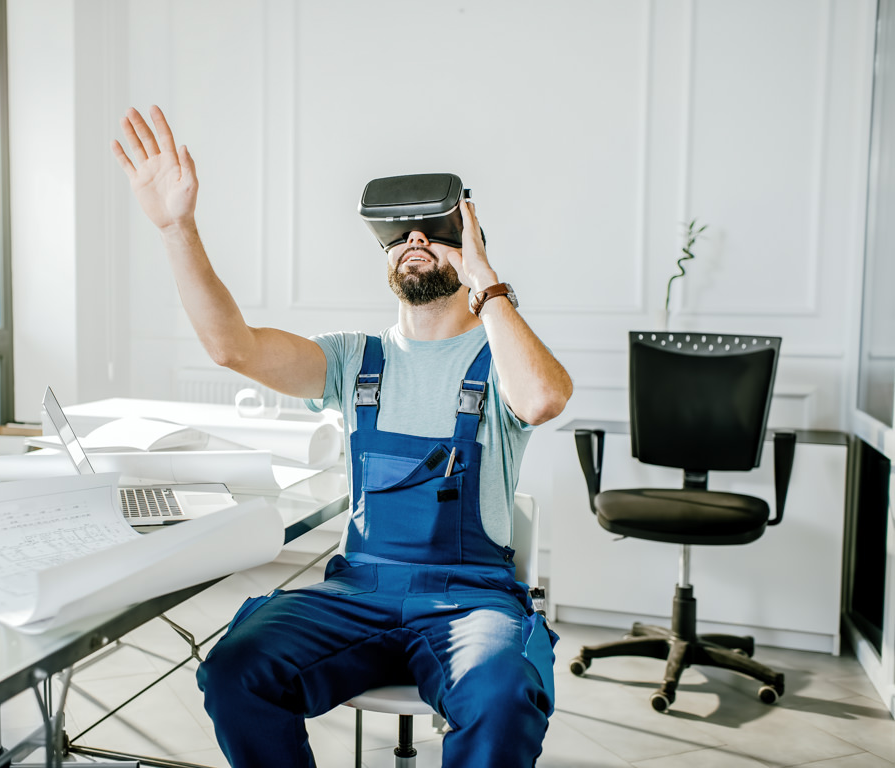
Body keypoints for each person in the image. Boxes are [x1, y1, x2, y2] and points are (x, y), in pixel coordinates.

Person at [111, 105, 573, 768]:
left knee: (500, 696)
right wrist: (177, 227)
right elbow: (229, 347)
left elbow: (545, 397)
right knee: (234, 671)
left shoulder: (499, 357)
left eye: (433, 231)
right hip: (357, 589)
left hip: (470, 598)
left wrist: (485, 281)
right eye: (400, 234)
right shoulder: (354, 360)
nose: (415, 240)